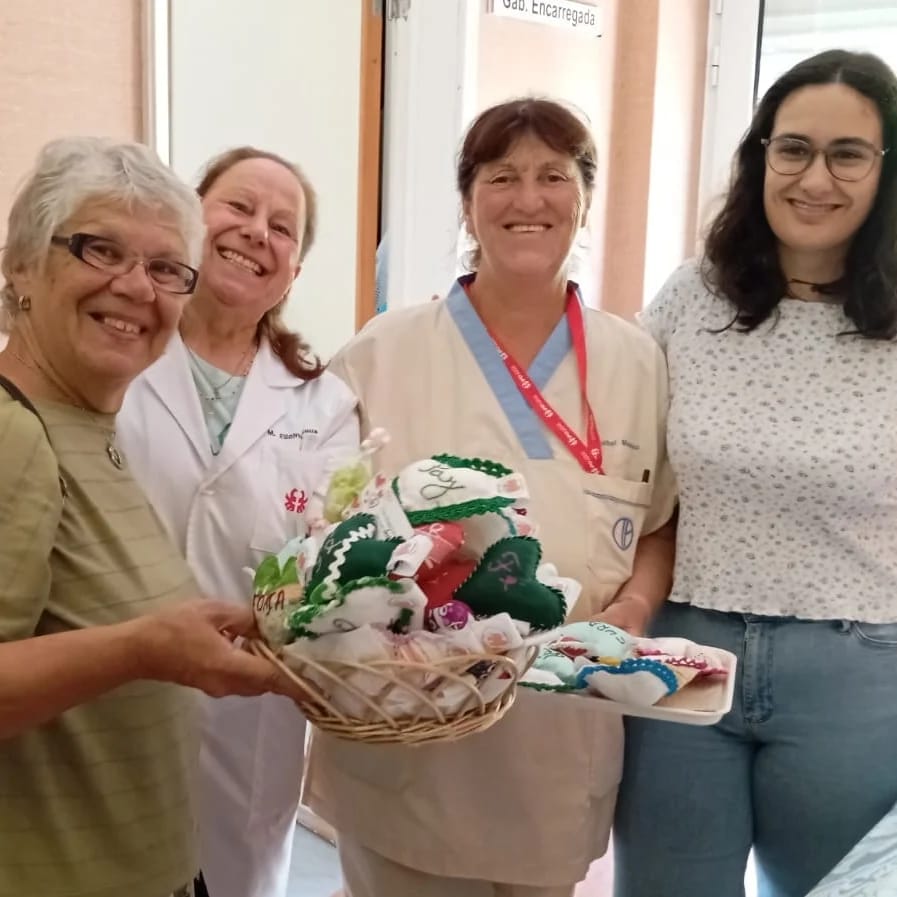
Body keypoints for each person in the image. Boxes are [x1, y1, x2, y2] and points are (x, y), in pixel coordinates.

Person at [301, 98, 678, 897]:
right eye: (501, 176)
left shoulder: (636, 360)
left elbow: (658, 521)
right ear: (468, 202)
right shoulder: (383, 351)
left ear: (584, 198)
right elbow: (312, 521)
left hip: (557, 741)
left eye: (553, 176)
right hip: (409, 734)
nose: (527, 198)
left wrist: (634, 608)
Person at [613, 50, 897, 897]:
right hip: (684, 653)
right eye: (792, 148)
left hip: (855, 669)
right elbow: (620, 446)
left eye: (847, 154)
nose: (814, 178)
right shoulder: (691, 298)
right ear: (759, 156)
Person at [0, 137, 299, 897]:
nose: (136, 287)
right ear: (22, 265)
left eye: (167, 268)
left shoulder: (91, 429)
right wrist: (143, 649)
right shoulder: (13, 434)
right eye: (101, 249)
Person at [118, 146, 359, 897]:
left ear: (293, 271)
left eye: (283, 227)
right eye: (239, 207)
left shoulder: (325, 406)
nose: (258, 232)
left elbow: (330, 560)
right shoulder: (114, 349)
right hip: (112, 686)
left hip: (248, 713)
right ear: (190, 218)